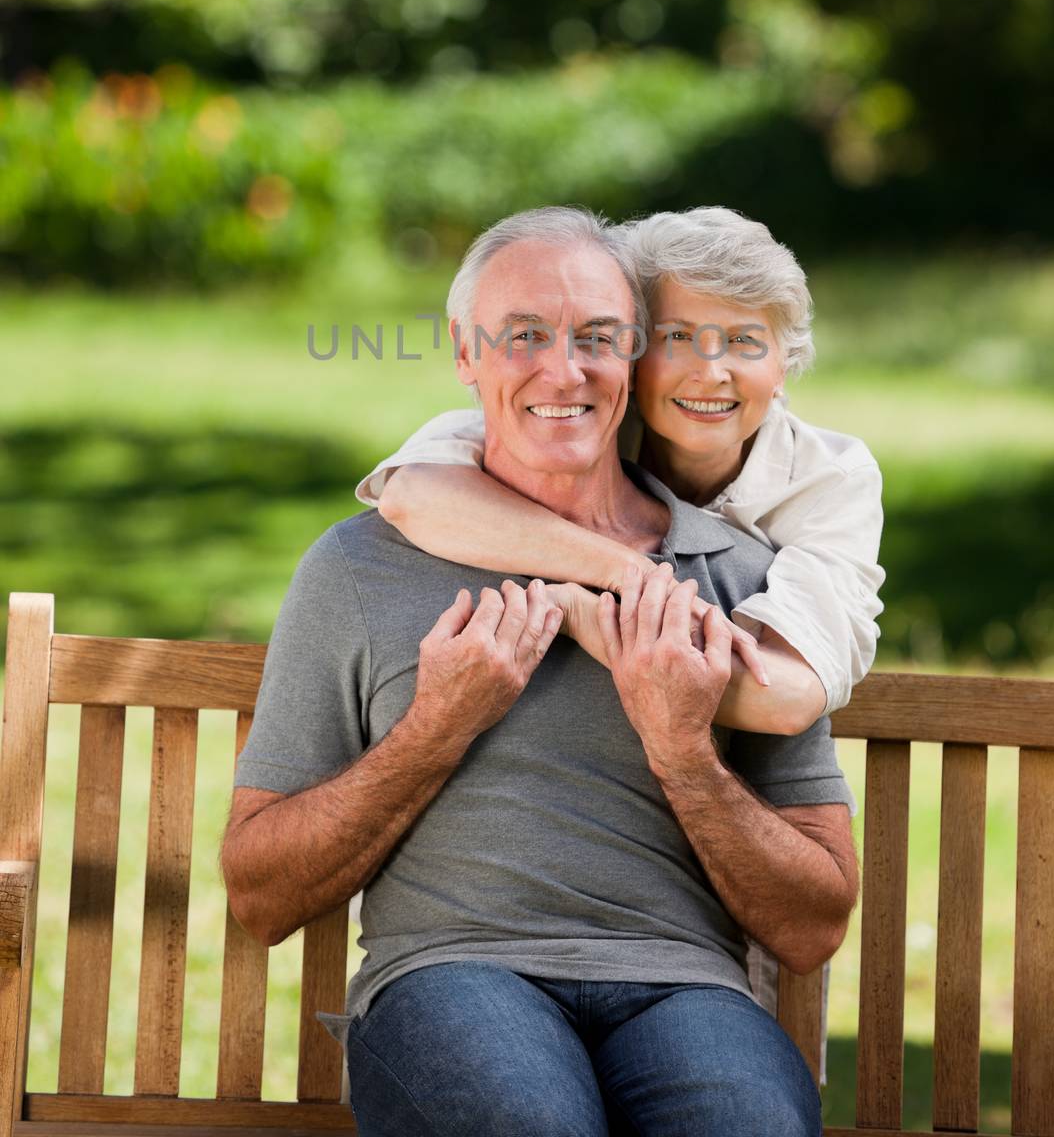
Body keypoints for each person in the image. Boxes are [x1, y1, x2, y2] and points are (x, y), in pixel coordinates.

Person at [221, 206, 859, 1137]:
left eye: (597, 338)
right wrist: (438, 725)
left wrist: (682, 749)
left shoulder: (742, 587)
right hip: (452, 974)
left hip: (683, 990)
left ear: (634, 355)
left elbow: (813, 924)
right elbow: (259, 895)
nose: (565, 372)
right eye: (524, 335)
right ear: (463, 351)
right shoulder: (360, 570)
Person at [357, 204, 884, 1034]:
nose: (710, 372)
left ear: (785, 364)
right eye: (676, 338)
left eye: (745, 342)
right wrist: (626, 572)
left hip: (713, 895)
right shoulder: (572, 410)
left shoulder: (828, 482)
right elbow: (414, 494)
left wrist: (590, 620)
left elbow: (783, 697)